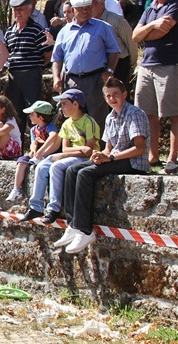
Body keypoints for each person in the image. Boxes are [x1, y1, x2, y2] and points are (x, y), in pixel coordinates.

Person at [54, 78, 150, 254]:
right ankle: (72, 224)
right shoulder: (110, 117)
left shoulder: (134, 114)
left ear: (124, 95)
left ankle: (85, 230)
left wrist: (110, 157)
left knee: (85, 174)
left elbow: (139, 148)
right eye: (108, 96)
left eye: (116, 95)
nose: (112, 98)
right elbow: (108, 148)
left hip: (134, 162)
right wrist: (101, 156)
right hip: (116, 158)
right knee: (72, 170)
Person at [18, 89, 100, 223]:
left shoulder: (88, 122)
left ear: (76, 104)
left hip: (83, 159)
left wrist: (66, 153)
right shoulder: (66, 124)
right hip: (70, 155)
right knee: (42, 166)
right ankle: (35, 207)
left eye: (64, 104)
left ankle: (53, 208)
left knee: (56, 167)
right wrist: (49, 153)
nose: (61, 108)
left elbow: (89, 150)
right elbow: (64, 147)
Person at [132, 0, 178, 173]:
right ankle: (152, 156)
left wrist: (145, 33)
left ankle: (172, 158)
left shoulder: (175, 4)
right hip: (146, 65)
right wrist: (152, 25)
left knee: (172, 113)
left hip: (168, 63)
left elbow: (162, 33)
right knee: (147, 113)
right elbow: (135, 36)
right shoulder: (150, 8)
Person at [51, 0, 120, 133]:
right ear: (74, 10)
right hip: (72, 80)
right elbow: (57, 57)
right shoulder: (65, 31)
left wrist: (109, 71)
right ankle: (77, 151)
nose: (85, 11)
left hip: (95, 79)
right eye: (81, 9)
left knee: (97, 118)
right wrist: (57, 77)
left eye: (88, 8)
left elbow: (114, 50)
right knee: (73, 117)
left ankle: (98, 151)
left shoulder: (103, 27)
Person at [5, 0, 51, 134]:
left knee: (35, 110)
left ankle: (38, 143)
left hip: (31, 75)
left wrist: (35, 67)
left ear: (29, 10)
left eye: (21, 10)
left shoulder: (37, 30)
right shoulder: (9, 32)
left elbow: (47, 55)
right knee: (15, 112)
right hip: (14, 77)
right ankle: (18, 147)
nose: (17, 13)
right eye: (15, 10)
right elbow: (6, 53)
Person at [6, 101, 59, 202]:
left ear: (41, 117)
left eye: (32, 114)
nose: (29, 116)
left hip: (48, 154)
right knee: (21, 161)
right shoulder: (33, 129)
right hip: (37, 155)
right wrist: (33, 150)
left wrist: (42, 151)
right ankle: (16, 189)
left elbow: (53, 136)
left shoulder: (50, 127)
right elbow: (33, 142)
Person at [89, 0, 136, 86]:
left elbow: (131, 43)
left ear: (101, 4)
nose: (87, 9)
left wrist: (132, 66)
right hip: (100, 67)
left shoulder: (116, 20)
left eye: (91, 5)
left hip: (120, 65)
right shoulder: (90, 23)